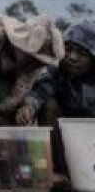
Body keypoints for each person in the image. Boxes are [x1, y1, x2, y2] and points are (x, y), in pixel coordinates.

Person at [17, 20, 95, 181]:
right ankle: (58, 172)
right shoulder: (57, 70)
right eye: (68, 49)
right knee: (48, 104)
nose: (72, 57)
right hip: (67, 139)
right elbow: (41, 91)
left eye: (82, 53)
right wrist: (29, 106)